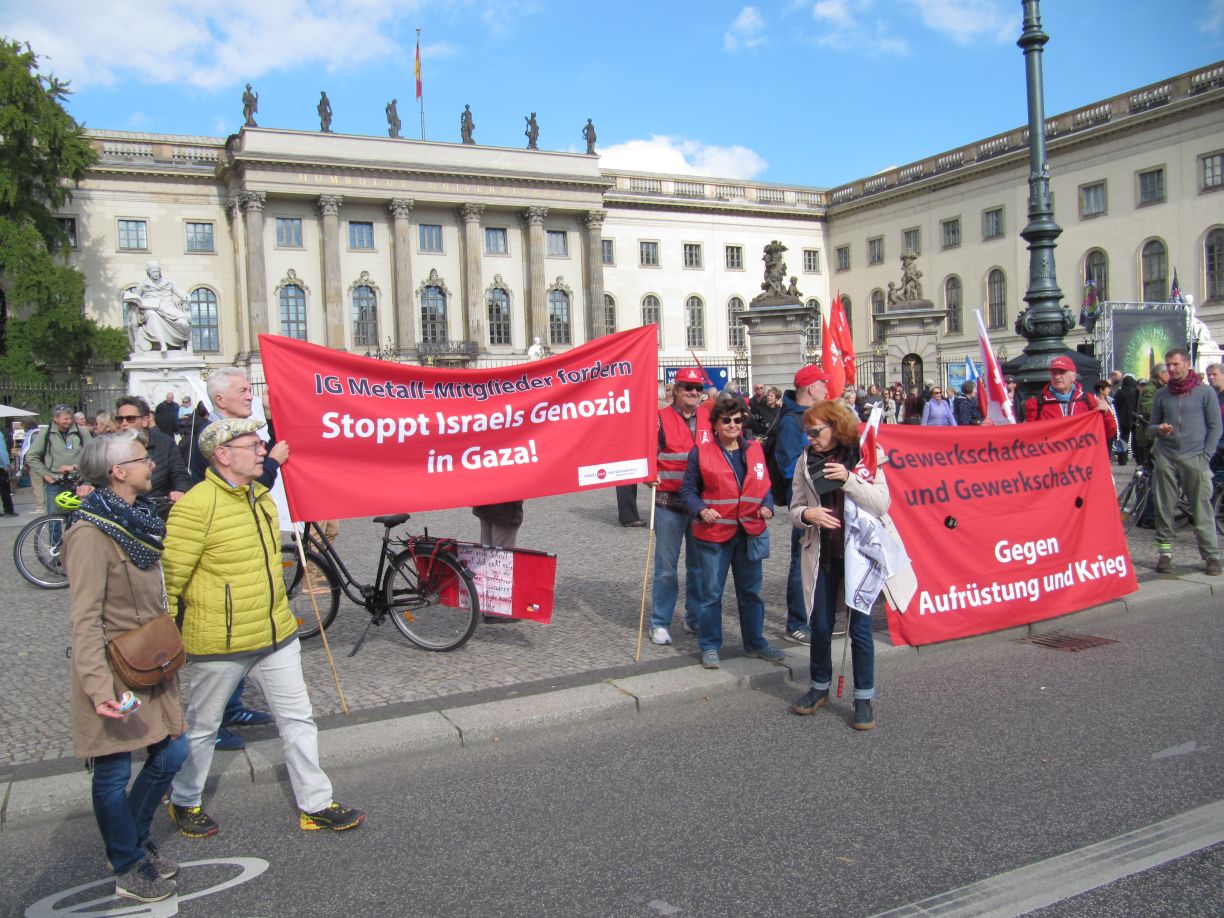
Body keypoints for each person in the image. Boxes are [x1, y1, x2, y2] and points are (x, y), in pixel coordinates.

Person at [164, 418, 364, 837]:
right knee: (203, 726)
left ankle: (315, 803)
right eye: (253, 445)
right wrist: (165, 633)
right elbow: (171, 577)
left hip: (275, 634)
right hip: (221, 640)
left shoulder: (260, 496)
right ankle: (185, 799)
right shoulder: (195, 506)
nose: (262, 451)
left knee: (298, 720)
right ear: (223, 455)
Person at [62, 431, 187, 903]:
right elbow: (85, 620)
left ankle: (133, 841)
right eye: (141, 458)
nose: (150, 463)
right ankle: (127, 862)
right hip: (116, 672)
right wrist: (98, 690)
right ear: (118, 472)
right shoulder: (89, 534)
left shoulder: (139, 520)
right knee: (113, 774)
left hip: (151, 663)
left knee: (173, 754)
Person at [787, 400, 910, 730]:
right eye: (807, 433)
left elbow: (882, 502)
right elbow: (794, 507)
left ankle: (863, 698)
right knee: (821, 625)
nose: (810, 439)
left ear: (835, 427)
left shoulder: (865, 452)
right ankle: (819, 687)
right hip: (824, 553)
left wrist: (848, 480)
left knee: (859, 629)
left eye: (816, 432)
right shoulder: (805, 460)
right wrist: (806, 515)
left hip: (861, 556)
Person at [186, 368, 288, 750]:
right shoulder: (210, 438)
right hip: (221, 550)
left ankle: (234, 707)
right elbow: (251, 482)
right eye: (243, 390)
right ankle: (209, 726)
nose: (250, 394)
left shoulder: (243, 430)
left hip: (248, 545)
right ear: (220, 399)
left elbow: (269, 458)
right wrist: (274, 464)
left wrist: (273, 422)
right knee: (224, 640)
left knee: (245, 630)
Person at [679, 393, 783, 669]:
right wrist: (700, 509)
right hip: (714, 535)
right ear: (715, 424)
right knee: (711, 594)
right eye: (726, 420)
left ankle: (755, 642)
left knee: (751, 593)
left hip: (748, 533)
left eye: (737, 420)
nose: (733, 425)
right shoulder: (700, 452)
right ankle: (710, 646)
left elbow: (765, 488)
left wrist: (768, 506)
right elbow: (687, 490)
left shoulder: (754, 450)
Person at [648, 367, 713, 645]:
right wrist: (649, 475)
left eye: (697, 388)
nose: (693, 392)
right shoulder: (660, 419)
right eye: (687, 387)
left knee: (699, 566)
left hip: (700, 505)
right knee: (666, 568)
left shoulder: (710, 418)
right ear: (675, 390)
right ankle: (660, 622)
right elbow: (646, 453)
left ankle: (694, 617)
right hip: (668, 503)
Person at [1148, 348, 1222, 576]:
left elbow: (1215, 427)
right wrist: (1158, 429)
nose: (1170, 368)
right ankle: (1165, 554)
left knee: (1201, 508)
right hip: (1166, 458)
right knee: (1164, 508)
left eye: (1175, 364)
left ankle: (1211, 556)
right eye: (1168, 365)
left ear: (1187, 364)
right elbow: (1150, 428)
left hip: (1195, 458)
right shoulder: (1162, 394)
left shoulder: (1204, 393)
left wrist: (1205, 456)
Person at [776, 365, 832, 645]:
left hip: (825, 498)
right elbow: (788, 467)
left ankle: (820, 618)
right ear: (812, 389)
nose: (826, 388)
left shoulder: (818, 416)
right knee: (801, 562)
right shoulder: (791, 422)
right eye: (823, 384)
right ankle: (797, 622)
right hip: (805, 504)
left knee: (824, 561)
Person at [115, 397, 191, 517]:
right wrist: (87, 484)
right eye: (119, 419)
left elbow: (180, 473)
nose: (124, 423)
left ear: (145, 420)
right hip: (120, 512)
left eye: (130, 419)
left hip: (157, 511)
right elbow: (96, 474)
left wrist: (180, 490)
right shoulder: (110, 447)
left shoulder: (165, 443)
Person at [1023, 356, 1118, 440]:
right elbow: (1028, 436)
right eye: (1054, 373)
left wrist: (1106, 414)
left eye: (1062, 372)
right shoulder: (1036, 403)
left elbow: (1108, 433)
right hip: (1052, 458)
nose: (1057, 377)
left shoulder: (1087, 400)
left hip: (1080, 457)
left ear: (1073, 376)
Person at [26, 405, 92, 513]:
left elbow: (93, 454)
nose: (69, 421)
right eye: (65, 419)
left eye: (71, 418)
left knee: (79, 514)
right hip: (55, 480)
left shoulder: (81, 432)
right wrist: (44, 474)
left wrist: (81, 471)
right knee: (53, 516)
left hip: (77, 479)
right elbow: (31, 456)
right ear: (55, 419)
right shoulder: (46, 433)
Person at [128, 263, 191, 352]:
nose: (155, 274)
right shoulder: (144, 283)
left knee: (184, 323)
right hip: (152, 308)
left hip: (169, 308)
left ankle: (178, 342)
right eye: (153, 272)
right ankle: (162, 343)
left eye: (157, 271)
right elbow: (136, 296)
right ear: (148, 273)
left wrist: (185, 296)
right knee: (152, 315)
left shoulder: (169, 281)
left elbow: (179, 292)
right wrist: (132, 299)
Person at [1133, 363, 1168, 467]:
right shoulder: (1150, 389)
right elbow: (1147, 409)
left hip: (1152, 434)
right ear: (1161, 374)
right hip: (1149, 436)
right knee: (1151, 468)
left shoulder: (1157, 388)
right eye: (1168, 373)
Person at [1114, 374, 1139, 465]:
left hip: (1122, 418)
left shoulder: (1119, 393)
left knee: (1122, 439)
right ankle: (1137, 457)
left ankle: (1122, 459)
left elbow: (1115, 404)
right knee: (1135, 438)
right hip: (1133, 417)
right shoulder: (1135, 392)